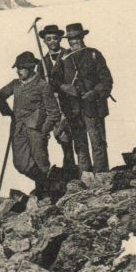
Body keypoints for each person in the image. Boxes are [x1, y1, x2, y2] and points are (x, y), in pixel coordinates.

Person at [0, 51, 61, 197]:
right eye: (17, 68)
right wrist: (8, 112)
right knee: (20, 163)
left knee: (41, 161)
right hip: (18, 128)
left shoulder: (43, 86)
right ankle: (48, 184)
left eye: (22, 68)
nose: (18, 71)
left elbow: (54, 112)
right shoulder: (15, 84)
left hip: (36, 129)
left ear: (32, 68)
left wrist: (44, 130)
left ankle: (45, 194)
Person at [53, 22, 114, 174]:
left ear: (82, 37)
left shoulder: (94, 54)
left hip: (93, 107)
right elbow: (54, 80)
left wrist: (94, 93)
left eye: (77, 37)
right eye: (71, 39)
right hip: (73, 110)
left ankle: (101, 176)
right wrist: (64, 87)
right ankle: (85, 177)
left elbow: (106, 80)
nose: (74, 41)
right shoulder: (64, 57)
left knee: (98, 143)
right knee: (80, 146)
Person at [38, 24, 78, 178]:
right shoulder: (42, 63)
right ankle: (70, 172)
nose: (52, 41)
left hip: (71, 104)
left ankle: (83, 170)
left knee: (78, 139)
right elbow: (40, 84)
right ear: (45, 42)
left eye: (55, 38)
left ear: (60, 39)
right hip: (55, 107)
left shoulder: (69, 55)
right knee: (63, 139)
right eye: (48, 39)